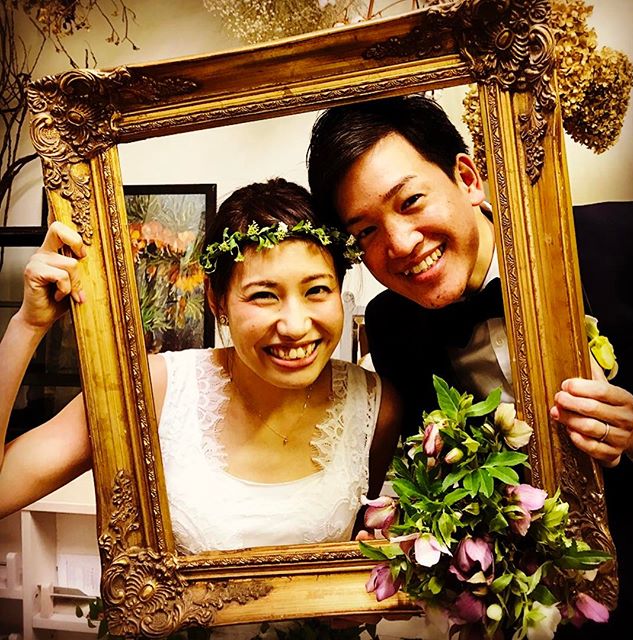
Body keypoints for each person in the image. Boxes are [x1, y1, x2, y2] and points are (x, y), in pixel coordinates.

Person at [0, 178, 401, 635]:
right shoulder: (153, 390)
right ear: (216, 300)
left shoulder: (376, 406)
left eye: (316, 291)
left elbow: (352, 570)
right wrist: (26, 325)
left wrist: (360, 595)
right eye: (263, 295)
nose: (295, 325)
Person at [306, 95, 633, 634]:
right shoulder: (392, 325)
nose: (400, 244)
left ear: (467, 178)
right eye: (365, 231)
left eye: (411, 201)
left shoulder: (623, 240)